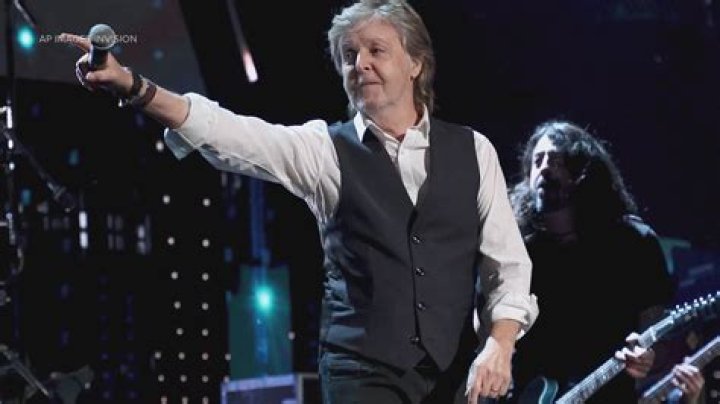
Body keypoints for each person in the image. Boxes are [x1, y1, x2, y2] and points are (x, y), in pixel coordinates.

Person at [62, 1, 540, 403]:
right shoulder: (324, 150)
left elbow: (508, 265)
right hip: (362, 371)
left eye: (376, 50)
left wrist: (499, 344)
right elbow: (230, 134)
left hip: (456, 372)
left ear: (416, 63)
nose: (360, 64)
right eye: (349, 55)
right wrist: (135, 86)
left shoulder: (473, 151)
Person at [504, 120, 676, 403]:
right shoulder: (516, 249)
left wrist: (648, 357)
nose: (544, 168)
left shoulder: (633, 242)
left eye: (556, 161)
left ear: (584, 171)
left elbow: (661, 339)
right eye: (537, 161)